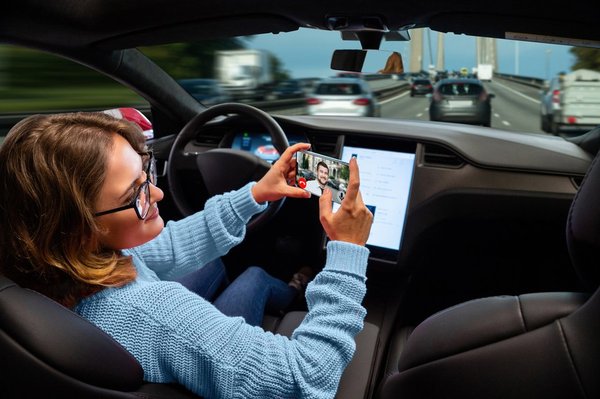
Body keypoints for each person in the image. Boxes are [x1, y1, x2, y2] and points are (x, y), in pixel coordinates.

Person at [0, 112, 373, 398]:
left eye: (148, 175)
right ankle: (294, 289)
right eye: (136, 194)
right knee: (255, 275)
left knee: (214, 263)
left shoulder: (48, 257)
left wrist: (255, 195)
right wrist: (348, 253)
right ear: (82, 227)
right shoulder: (156, 314)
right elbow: (305, 378)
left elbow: (169, 246)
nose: (157, 195)